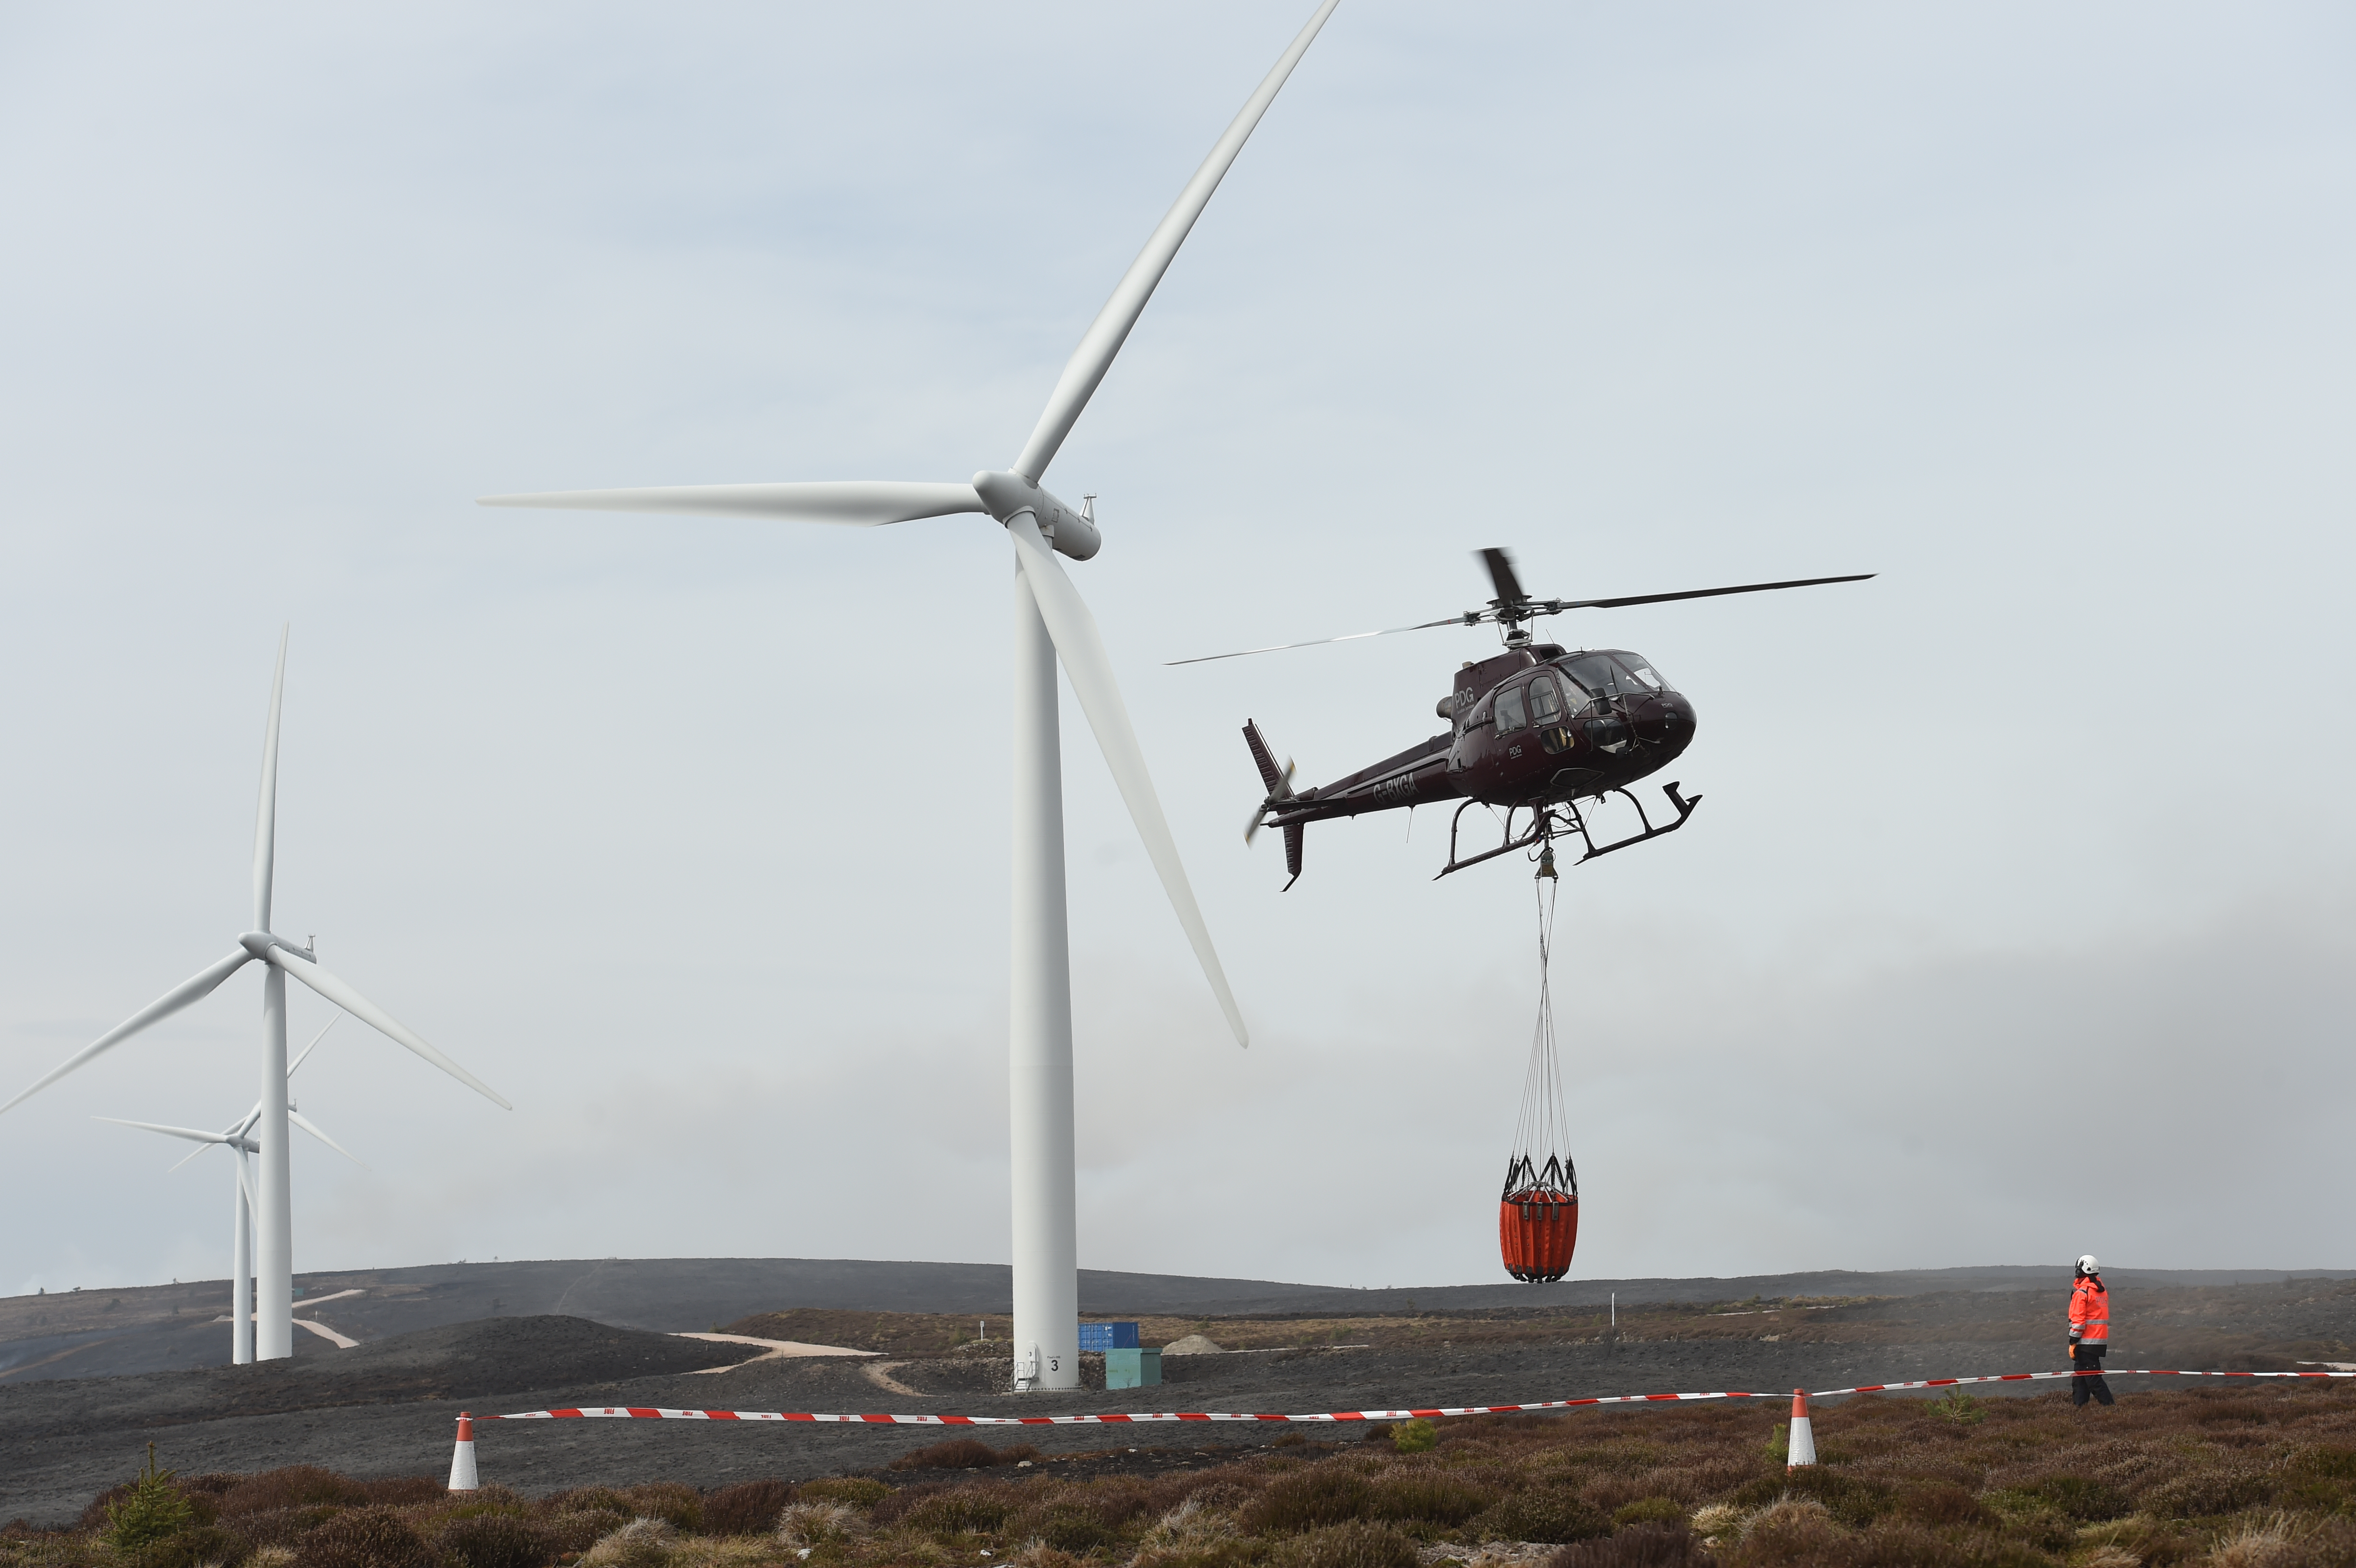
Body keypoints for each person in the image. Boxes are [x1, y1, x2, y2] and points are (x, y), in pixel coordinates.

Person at [2067, 1254, 2114, 1407]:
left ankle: (2111, 1408)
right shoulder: (2101, 1291)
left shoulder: (2082, 1293)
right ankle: (2080, 1409)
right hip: (2098, 1342)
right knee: (2080, 1379)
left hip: (2085, 1343)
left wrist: (2073, 1341)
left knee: (2093, 1379)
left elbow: (2078, 1322)